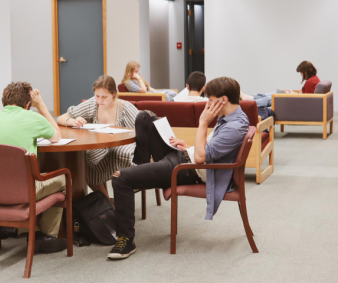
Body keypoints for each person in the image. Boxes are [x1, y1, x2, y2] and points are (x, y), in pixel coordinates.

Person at [108, 77, 249, 260]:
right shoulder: (232, 115)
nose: (208, 105)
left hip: (186, 169)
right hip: (184, 156)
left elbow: (199, 159)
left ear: (223, 100)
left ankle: (126, 240)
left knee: (120, 178)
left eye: (211, 100)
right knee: (145, 116)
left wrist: (203, 123)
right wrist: (189, 146)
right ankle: (142, 175)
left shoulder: (235, 127)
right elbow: (206, 150)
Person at [0, 81, 66, 253]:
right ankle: (45, 237)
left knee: (22, 176)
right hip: (21, 191)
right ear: (28, 105)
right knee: (63, 179)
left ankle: (27, 230)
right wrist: (41, 106)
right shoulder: (32, 117)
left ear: (3, 101)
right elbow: (57, 136)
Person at [57, 75, 139, 201]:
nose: (100, 100)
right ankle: (106, 201)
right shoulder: (93, 104)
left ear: (114, 94)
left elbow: (144, 129)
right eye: (97, 96)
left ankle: (123, 197)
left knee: (122, 153)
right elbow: (61, 118)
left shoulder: (125, 108)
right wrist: (73, 121)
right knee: (85, 161)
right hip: (102, 150)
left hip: (122, 150)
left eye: (104, 97)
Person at [240, 61, 321, 107]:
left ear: (306, 72)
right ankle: (250, 97)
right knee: (275, 93)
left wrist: (292, 94)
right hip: (298, 99)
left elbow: (306, 99)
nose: (301, 74)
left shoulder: (311, 81)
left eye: (301, 72)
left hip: (298, 102)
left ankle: (250, 102)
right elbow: (305, 95)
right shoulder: (314, 79)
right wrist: (293, 93)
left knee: (272, 98)